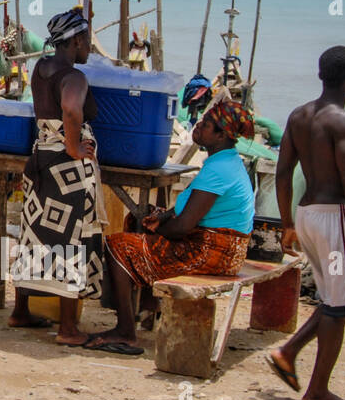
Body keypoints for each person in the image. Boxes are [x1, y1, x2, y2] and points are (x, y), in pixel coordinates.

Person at [268, 46, 345, 400]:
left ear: (322, 77)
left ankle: (288, 353)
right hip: (335, 219)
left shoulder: (299, 115)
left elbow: (283, 172)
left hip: (307, 216)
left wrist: (287, 222)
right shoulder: (343, 120)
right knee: (342, 305)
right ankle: (317, 391)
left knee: (335, 299)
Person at [88, 99, 257, 355]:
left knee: (117, 245)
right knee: (138, 218)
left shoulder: (219, 169)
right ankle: (149, 303)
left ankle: (125, 330)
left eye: (206, 124)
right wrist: (163, 218)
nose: (199, 125)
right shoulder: (227, 161)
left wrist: (161, 228)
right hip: (225, 248)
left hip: (211, 253)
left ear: (221, 135)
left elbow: (183, 227)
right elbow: (192, 207)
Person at [9, 7, 104, 345]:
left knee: (34, 233)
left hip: (40, 158)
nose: (89, 47)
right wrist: (75, 146)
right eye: (87, 40)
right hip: (68, 168)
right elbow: (70, 108)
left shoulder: (41, 69)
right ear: (76, 40)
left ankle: (21, 310)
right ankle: (67, 328)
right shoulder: (74, 76)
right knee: (70, 238)